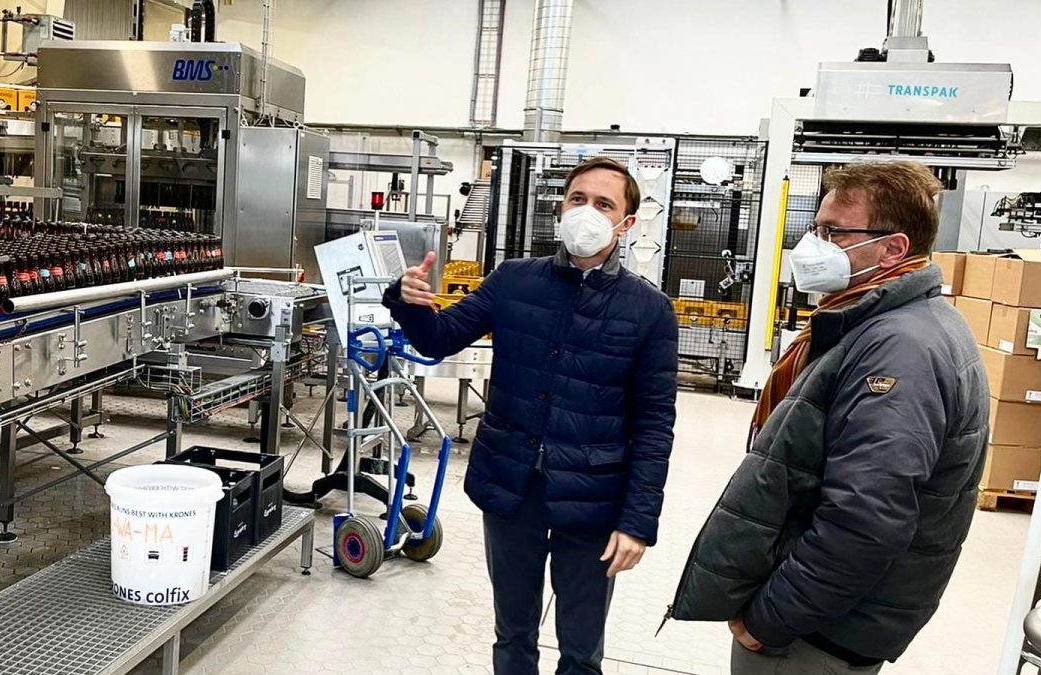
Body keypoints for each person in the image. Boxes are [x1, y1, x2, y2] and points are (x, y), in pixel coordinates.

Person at [666, 161, 989, 674]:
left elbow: (866, 520)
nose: (811, 245)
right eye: (815, 228)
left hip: (817, 634)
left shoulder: (900, 349)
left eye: (831, 232)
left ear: (893, 249)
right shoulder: (885, 324)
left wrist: (771, 619)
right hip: (828, 619)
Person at [382, 156, 679, 675]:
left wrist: (637, 522)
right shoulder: (515, 280)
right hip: (511, 485)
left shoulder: (648, 310)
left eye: (604, 204)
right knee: (512, 633)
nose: (587, 211)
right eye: (577, 199)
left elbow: (654, 425)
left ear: (627, 224)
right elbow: (439, 337)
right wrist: (407, 302)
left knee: (581, 649)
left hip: (593, 497)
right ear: (560, 208)